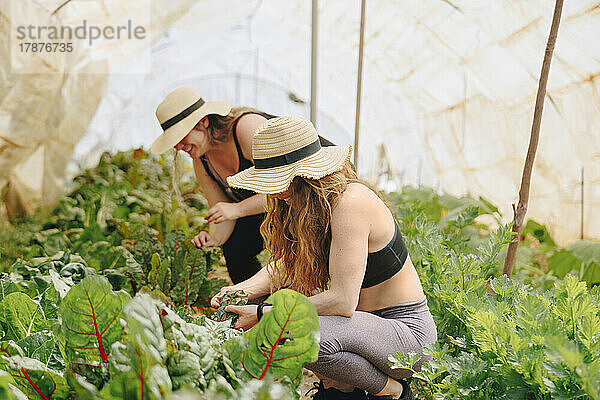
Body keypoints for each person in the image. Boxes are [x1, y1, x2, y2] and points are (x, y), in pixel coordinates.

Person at [210, 116, 437, 400]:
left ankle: (393, 391)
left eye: (275, 180)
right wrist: (242, 290)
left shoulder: (350, 204)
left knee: (286, 333)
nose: (271, 190)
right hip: (361, 328)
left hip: (406, 338)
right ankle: (344, 388)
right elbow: (285, 264)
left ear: (300, 175)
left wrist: (262, 314)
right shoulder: (302, 202)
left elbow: (343, 301)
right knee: (274, 315)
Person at [151, 87, 274, 284]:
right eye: (174, 142)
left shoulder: (247, 129)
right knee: (236, 248)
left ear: (203, 121)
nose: (179, 147)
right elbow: (221, 210)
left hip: (313, 190)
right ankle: (255, 306)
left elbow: (288, 187)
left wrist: (238, 208)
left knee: (293, 252)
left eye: (181, 136)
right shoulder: (202, 160)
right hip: (272, 201)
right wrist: (211, 239)